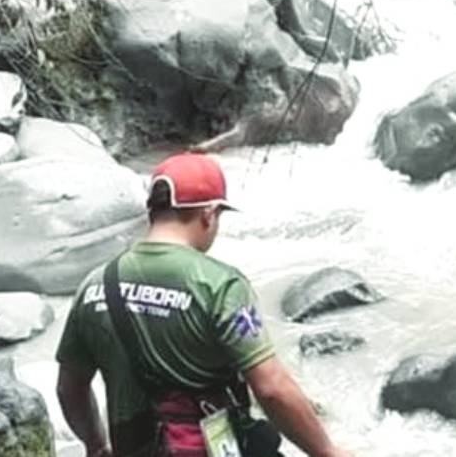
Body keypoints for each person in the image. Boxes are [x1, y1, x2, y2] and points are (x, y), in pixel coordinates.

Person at [55, 152, 354, 457]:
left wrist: (96, 444)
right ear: (209, 214)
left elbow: (70, 389)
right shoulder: (218, 285)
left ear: (152, 213)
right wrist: (327, 451)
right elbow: (271, 389)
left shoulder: (94, 285)